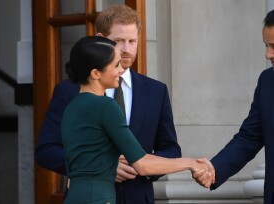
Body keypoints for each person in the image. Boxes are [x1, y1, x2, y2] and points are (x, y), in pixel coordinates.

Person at [35, 4, 182, 204]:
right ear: (101, 40)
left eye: (132, 41)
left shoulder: (156, 91)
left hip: (138, 197)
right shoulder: (70, 91)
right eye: (119, 41)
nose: (127, 50)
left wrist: (141, 166)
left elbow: (171, 150)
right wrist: (101, 167)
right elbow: (46, 150)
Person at [61, 35, 212, 204]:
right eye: (116, 65)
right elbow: (143, 164)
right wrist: (191, 163)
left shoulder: (71, 107)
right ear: (96, 73)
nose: (121, 70)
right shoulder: (106, 106)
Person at [193, 9, 274, 204]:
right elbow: (249, 138)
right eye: (266, 45)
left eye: (273, 46)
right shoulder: (267, 82)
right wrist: (213, 170)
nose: (268, 54)